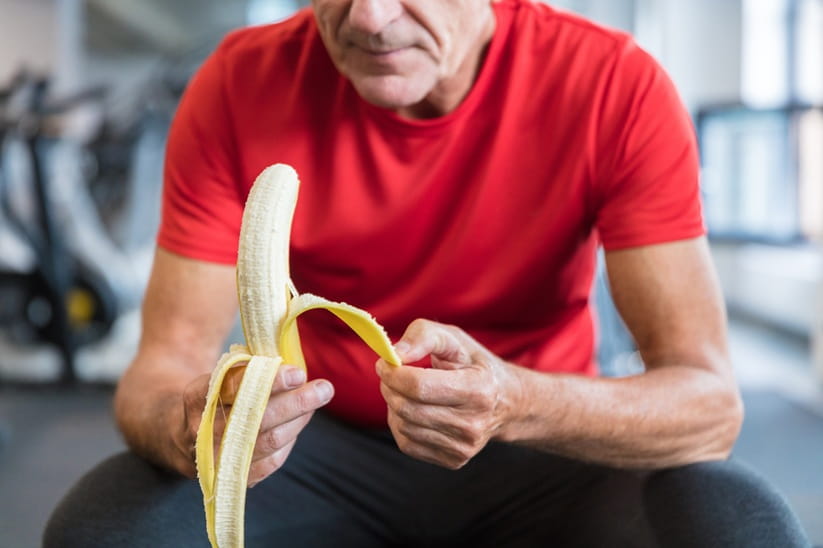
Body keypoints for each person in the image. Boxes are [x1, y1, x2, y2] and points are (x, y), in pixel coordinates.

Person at [45, 0, 810, 546]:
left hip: (543, 444)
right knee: (102, 527)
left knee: (738, 524)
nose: (369, 18)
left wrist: (514, 402)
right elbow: (158, 371)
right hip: (316, 445)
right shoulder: (237, 84)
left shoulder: (613, 84)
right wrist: (189, 424)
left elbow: (709, 406)